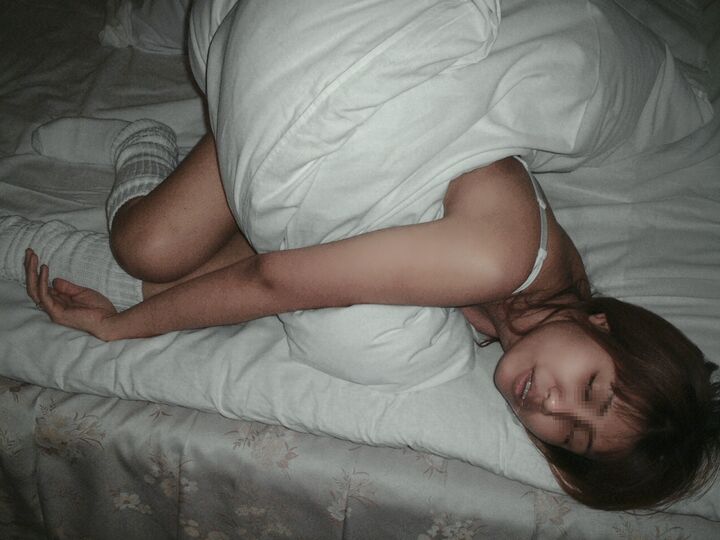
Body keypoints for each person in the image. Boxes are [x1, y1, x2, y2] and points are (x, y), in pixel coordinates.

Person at [2, 0, 718, 512]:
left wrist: (152, 302)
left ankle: (140, 145)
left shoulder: (511, 315)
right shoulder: (501, 261)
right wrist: (123, 329)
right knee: (153, 262)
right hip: (330, 98)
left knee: (147, 250)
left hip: (347, 164)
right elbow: (276, 279)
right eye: (590, 388)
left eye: (573, 438)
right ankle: (166, 135)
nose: (553, 407)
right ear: (603, 326)